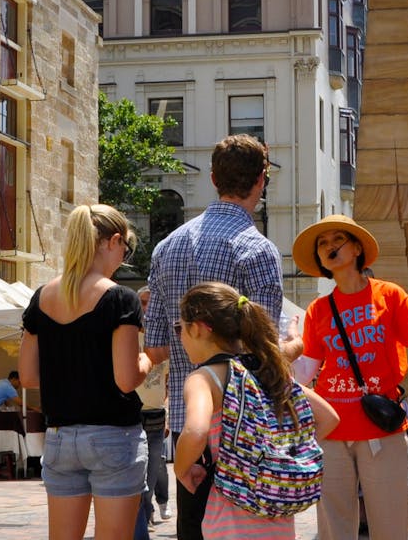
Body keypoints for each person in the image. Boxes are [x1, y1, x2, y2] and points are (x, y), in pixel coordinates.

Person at [144, 134, 285, 540]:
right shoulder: (257, 249)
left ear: (212, 178)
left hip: (190, 432)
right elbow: (265, 348)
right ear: (261, 181)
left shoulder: (166, 247)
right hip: (243, 433)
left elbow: (155, 348)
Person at [289, 214, 408, 539]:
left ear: (357, 247)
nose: (329, 247)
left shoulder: (388, 295)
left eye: (337, 240)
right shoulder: (318, 309)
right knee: (333, 528)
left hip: (381, 429)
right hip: (331, 431)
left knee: (390, 525)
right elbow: (304, 374)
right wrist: (286, 351)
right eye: (323, 243)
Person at [18, 204, 152, 540]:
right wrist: (150, 359)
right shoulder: (120, 299)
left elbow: (29, 377)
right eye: (126, 247)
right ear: (113, 241)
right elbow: (126, 378)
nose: (124, 254)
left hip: (61, 436)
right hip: (113, 435)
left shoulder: (42, 297)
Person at [173, 282, 339, 539]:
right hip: (280, 521)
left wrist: (181, 468)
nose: (180, 336)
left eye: (179, 328)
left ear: (198, 328)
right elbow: (329, 418)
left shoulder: (204, 378)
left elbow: (195, 431)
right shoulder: (266, 372)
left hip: (230, 523)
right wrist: (284, 454)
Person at [133, 286, 170, 536]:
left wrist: (167, 411)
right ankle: (144, 515)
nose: (146, 309)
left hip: (156, 414)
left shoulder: (163, 342)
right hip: (132, 414)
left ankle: (148, 511)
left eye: (150, 303)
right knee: (138, 471)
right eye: (142, 303)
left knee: (153, 468)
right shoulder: (127, 337)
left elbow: (168, 383)